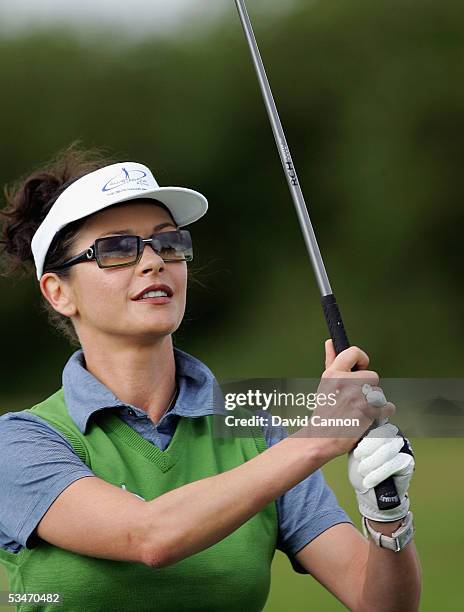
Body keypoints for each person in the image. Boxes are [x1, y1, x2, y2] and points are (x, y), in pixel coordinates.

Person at [0, 146, 421, 611]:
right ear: (59, 292)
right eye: (117, 249)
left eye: (168, 243)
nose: (153, 261)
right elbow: (150, 537)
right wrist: (317, 439)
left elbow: (380, 604)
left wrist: (387, 518)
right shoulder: (21, 442)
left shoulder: (255, 435)